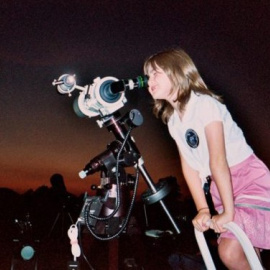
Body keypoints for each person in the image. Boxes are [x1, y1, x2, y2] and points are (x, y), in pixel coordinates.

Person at [143, 48, 270, 269]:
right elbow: (190, 168)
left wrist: (228, 211)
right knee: (247, 254)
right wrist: (203, 209)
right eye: (148, 76)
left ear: (177, 73)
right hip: (221, 187)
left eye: (156, 73)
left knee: (229, 251)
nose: (149, 80)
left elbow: (218, 160)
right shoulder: (174, 121)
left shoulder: (204, 105)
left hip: (246, 179)